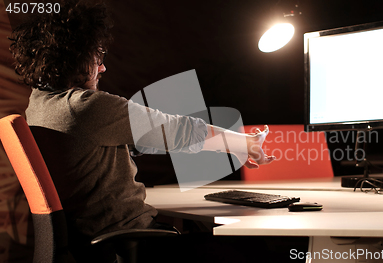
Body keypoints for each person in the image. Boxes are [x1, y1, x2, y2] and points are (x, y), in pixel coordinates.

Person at [9, 0, 275, 261]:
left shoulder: (38, 104)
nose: (102, 67)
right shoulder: (85, 107)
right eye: (97, 56)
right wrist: (246, 144)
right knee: (258, 249)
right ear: (76, 58)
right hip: (130, 245)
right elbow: (178, 131)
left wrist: (237, 143)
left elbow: (143, 139)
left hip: (97, 245)